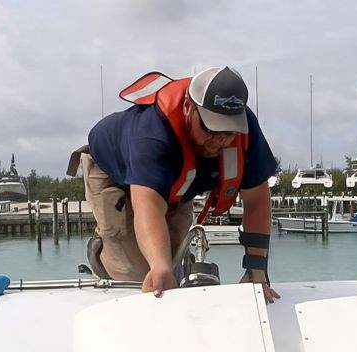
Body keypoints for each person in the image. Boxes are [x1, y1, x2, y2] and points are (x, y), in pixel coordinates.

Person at [71, 66, 279, 300]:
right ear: (189, 108)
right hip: (113, 173)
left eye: (228, 131)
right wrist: (159, 266)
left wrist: (257, 271)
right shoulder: (152, 133)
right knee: (141, 277)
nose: (220, 139)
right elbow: (147, 206)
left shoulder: (245, 128)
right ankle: (101, 255)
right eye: (211, 127)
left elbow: (257, 200)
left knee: (174, 261)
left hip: (176, 185)